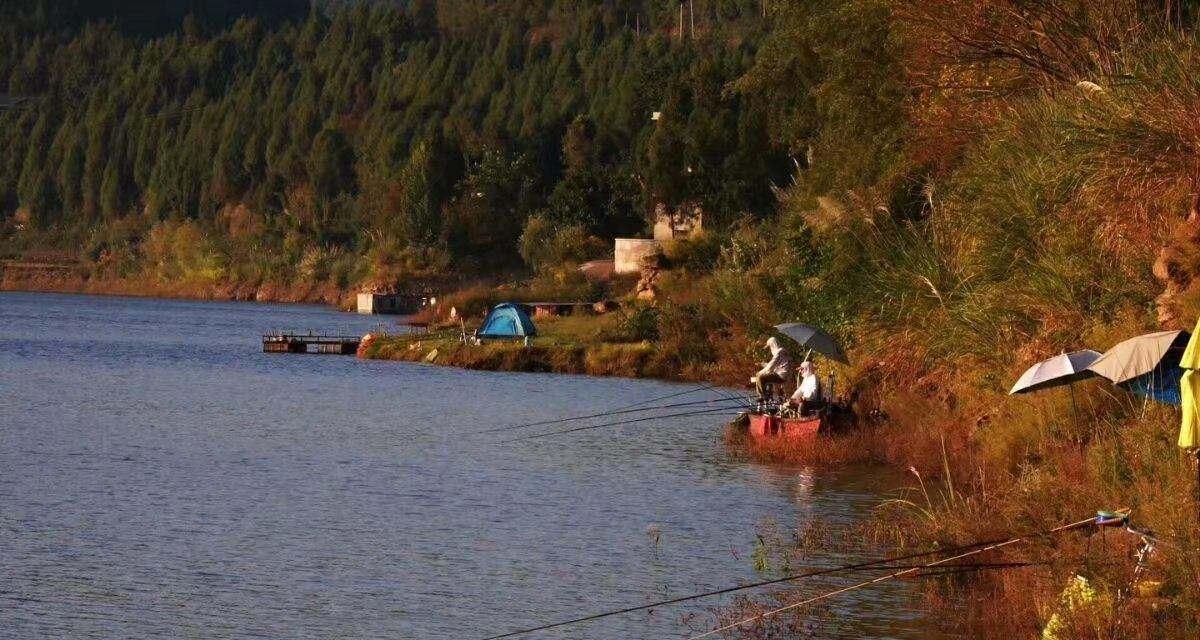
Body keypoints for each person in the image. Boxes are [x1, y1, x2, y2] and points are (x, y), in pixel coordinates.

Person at [752, 337, 793, 401]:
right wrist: (762, 364)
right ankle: (768, 395)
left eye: (770, 346)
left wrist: (761, 372)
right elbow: (775, 365)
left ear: (772, 345)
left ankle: (763, 396)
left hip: (781, 376)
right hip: (783, 375)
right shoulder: (782, 352)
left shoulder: (779, 352)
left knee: (759, 376)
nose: (770, 349)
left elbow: (771, 365)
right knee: (762, 376)